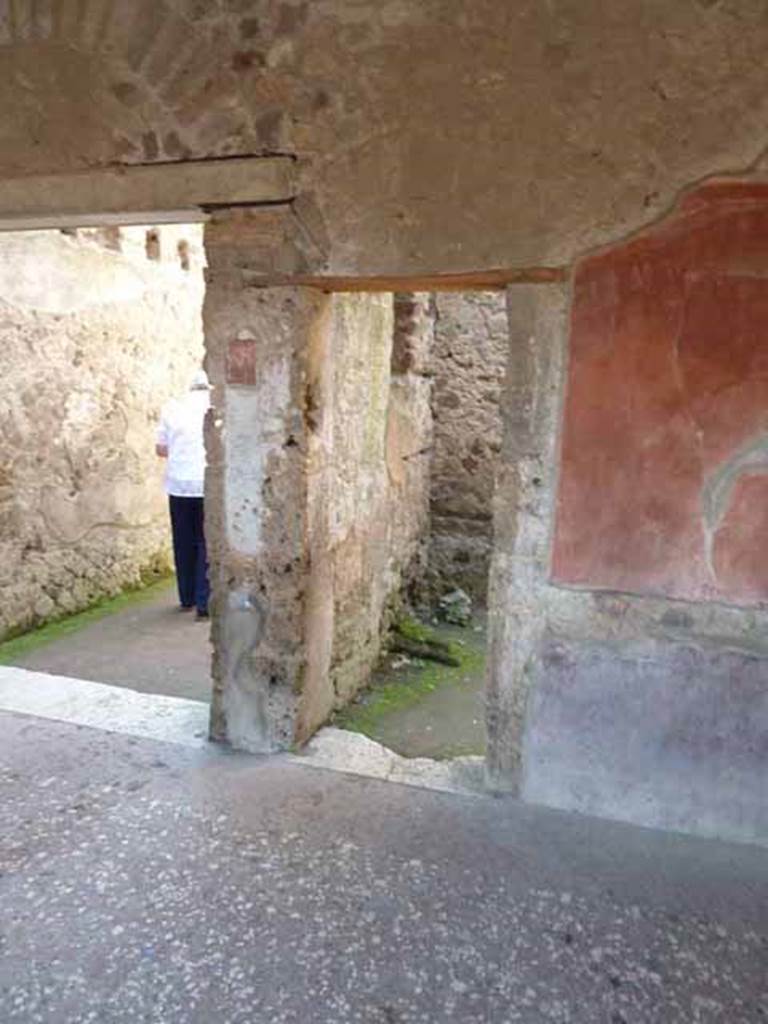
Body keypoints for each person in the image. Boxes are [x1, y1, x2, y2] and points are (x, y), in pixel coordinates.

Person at [155, 369, 211, 619]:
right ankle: (204, 601)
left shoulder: (172, 408)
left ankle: (186, 597)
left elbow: (161, 449)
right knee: (206, 542)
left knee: (183, 541)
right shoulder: (216, 407)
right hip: (207, 483)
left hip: (179, 485)